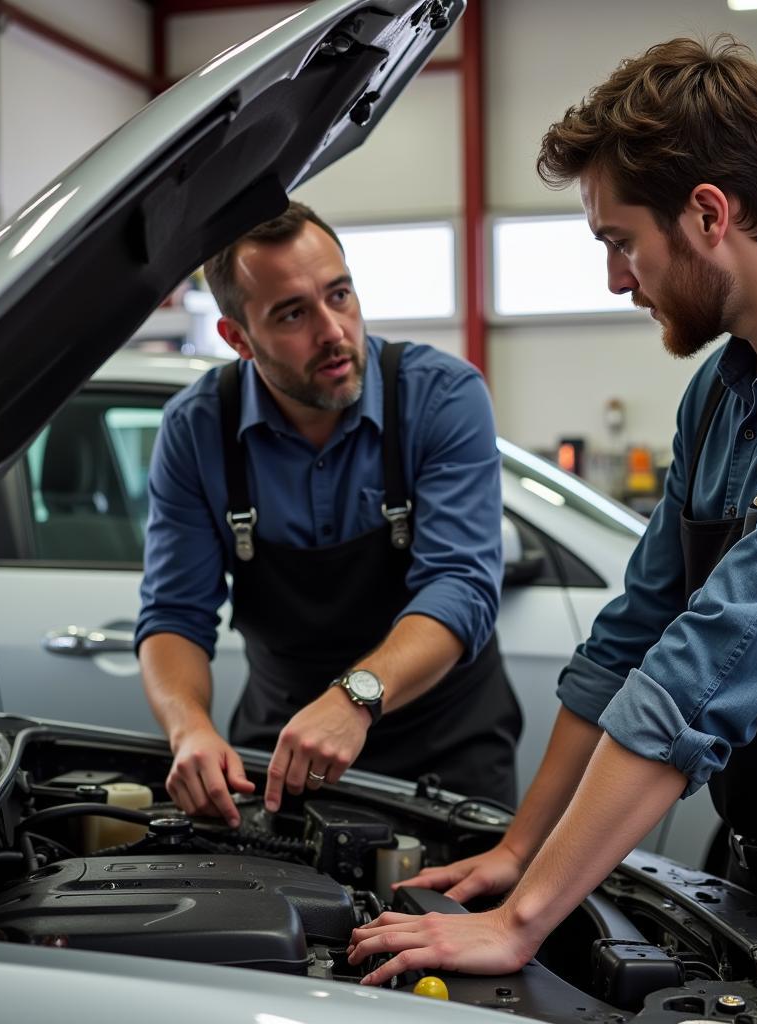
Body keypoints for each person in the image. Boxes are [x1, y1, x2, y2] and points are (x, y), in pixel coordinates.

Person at [347, 36, 757, 1022]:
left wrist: (525, 920)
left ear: (709, 214)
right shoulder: (721, 397)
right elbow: (631, 640)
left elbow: (713, 658)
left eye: (618, 239)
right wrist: (520, 854)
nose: (614, 279)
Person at [136, 201, 522, 827]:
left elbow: (462, 585)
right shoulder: (197, 428)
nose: (334, 332)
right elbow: (175, 614)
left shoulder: (442, 398)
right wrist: (190, 730)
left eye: (339, 295)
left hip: (447, 751)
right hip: (283, 747)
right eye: (292, 313)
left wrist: (355, 698)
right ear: (237, 337)